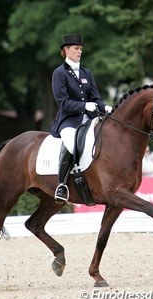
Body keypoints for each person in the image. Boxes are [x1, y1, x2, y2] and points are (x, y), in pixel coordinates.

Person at [51, 34, 112, 202]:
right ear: (66, 50)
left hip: (90, 119)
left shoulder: (86, 72)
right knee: (71, 144)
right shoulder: (59, 73)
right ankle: (61, 185)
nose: (80, 52)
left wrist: (104, 107)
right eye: (76, 49)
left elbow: (95, 97)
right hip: (69, 121)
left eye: (81, 49)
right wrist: (83, 106)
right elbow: (63, 102)